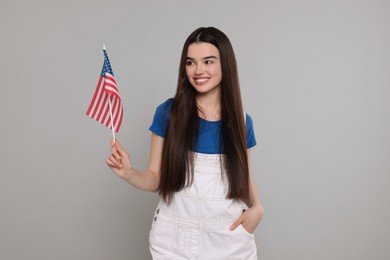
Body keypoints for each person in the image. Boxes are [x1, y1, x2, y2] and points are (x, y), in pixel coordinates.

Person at [106, 27, 264, 260]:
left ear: (225, 65)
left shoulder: (241, 121)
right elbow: (154, 178)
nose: (198, 70)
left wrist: (258, 208)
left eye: (208, 61)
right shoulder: (168, 113)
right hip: (173, 239)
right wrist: (129, 172)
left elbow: (244, 178)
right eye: (191, 63)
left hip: (228, 238)